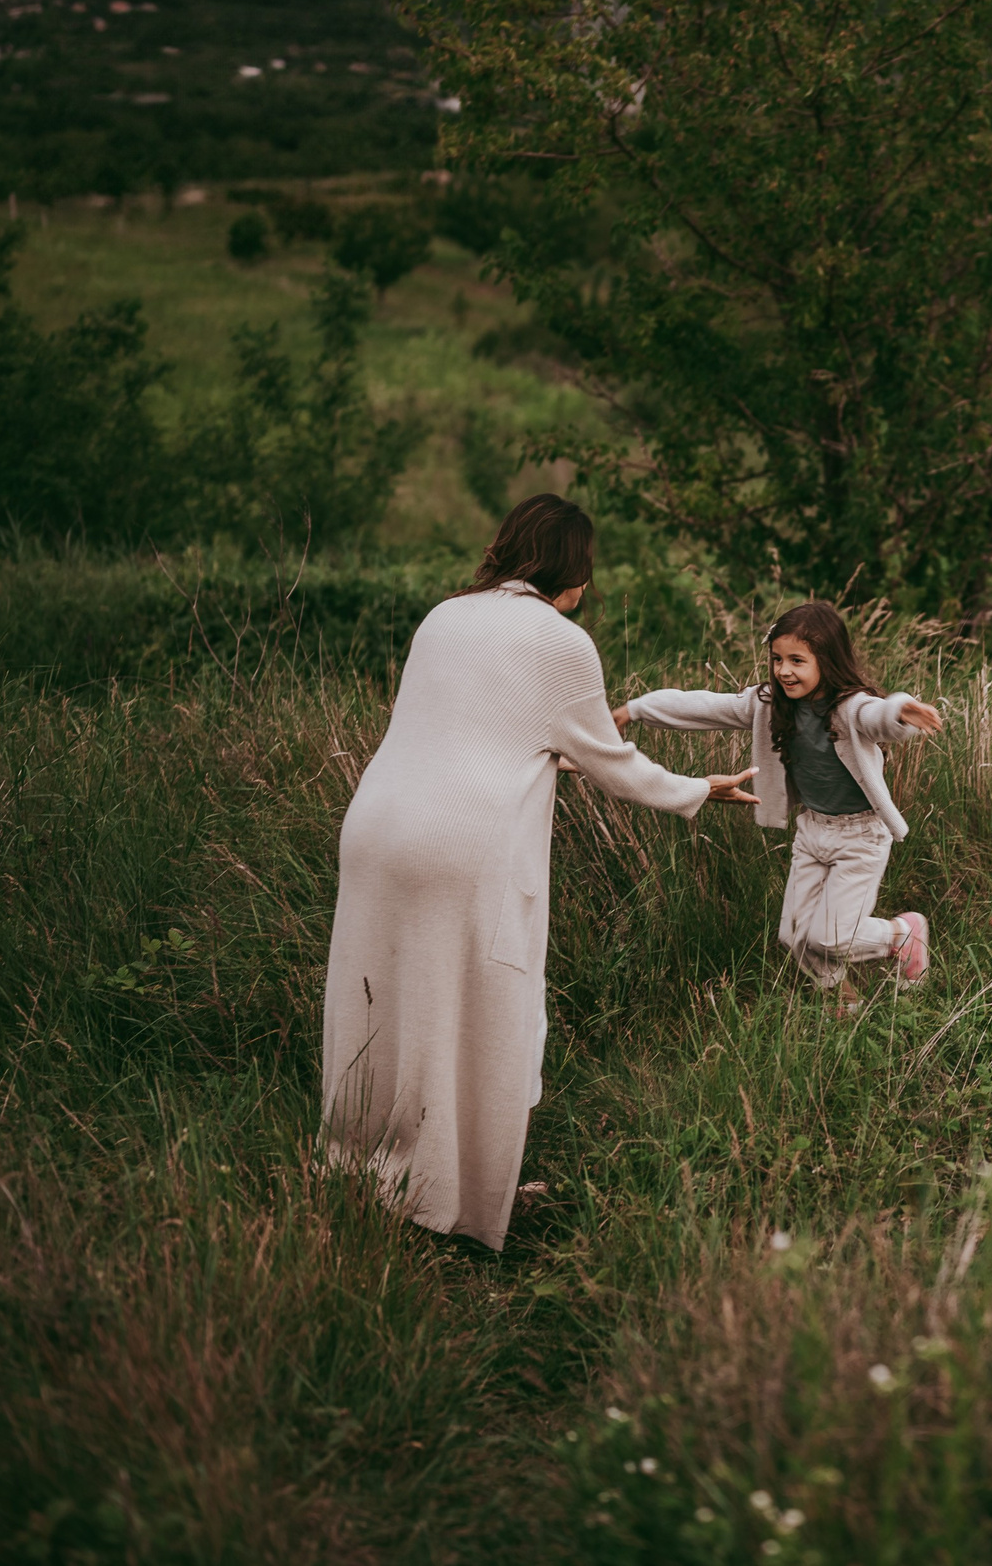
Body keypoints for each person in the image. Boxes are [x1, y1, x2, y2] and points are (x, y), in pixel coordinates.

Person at [321, 495, 758, 1251]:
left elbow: (472, 725)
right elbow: (612, 764)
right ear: (573, 570)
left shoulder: (443, 616)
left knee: (382, 1007)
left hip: (374, 827)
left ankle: (359, 1174)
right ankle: (450, 1200)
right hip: (461, 845)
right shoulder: (560, 640)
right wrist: (699, 790)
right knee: (480, 1018)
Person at [615, 599, 944, 994]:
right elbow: (702, 705)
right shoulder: (766, 704)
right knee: (793, 934)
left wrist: (900, 711)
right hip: (812, 830)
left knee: (831, 937)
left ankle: (902, 935)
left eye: (797, 661)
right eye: (777, 659)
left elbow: (878, 715)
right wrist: (635, 709)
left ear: (828, 660)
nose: (784, 671)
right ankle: (842, 995)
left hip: (861, 837)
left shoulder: (850, 707)